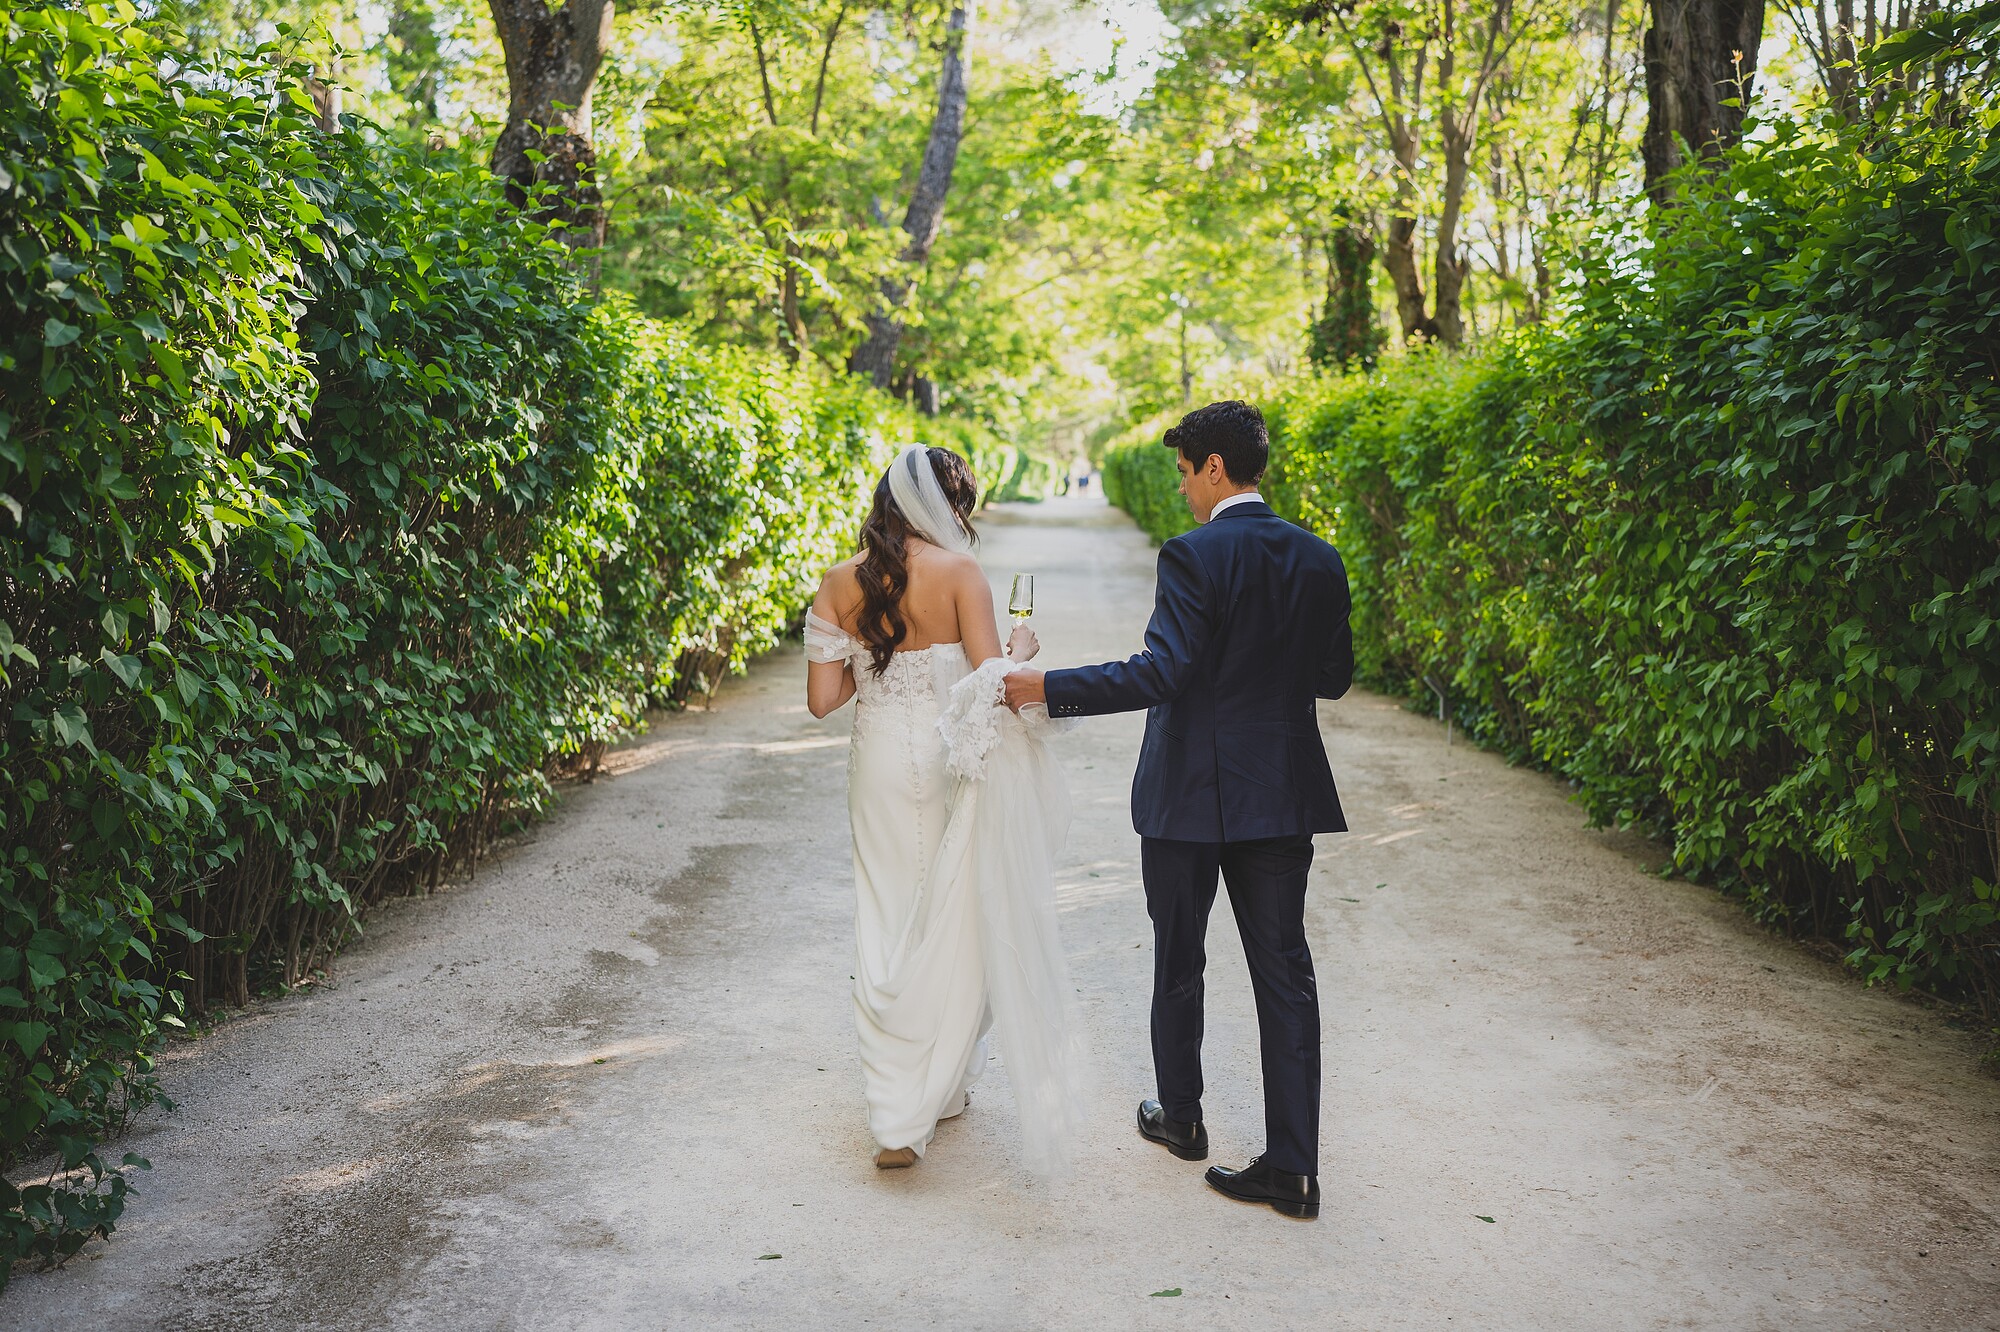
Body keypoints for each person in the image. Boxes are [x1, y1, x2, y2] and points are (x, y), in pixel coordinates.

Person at [1003, 401, 1353, 1219]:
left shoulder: (1193, 556)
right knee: (1286, 975)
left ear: (1215, 468)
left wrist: (1045, 689)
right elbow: (1332, 678)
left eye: (1186, 473)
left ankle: (1183, 1118)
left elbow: (1161, 673)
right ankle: (1294, 1170)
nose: (1185, 490)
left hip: (1188, 793)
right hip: (1280, 789)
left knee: (1179, 958)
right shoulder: (1320, 557)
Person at [806, 445, 1085, 1174]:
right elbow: (994, 684)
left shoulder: (839, 583)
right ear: (948, 508)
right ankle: (930, 1085)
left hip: (875, 766)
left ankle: (899, 1111)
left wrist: (870, 669)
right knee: (952, 912)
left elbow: (821, 701)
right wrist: (1021, 647)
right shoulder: (963, 574)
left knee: (887, 914)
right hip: (947, 761)